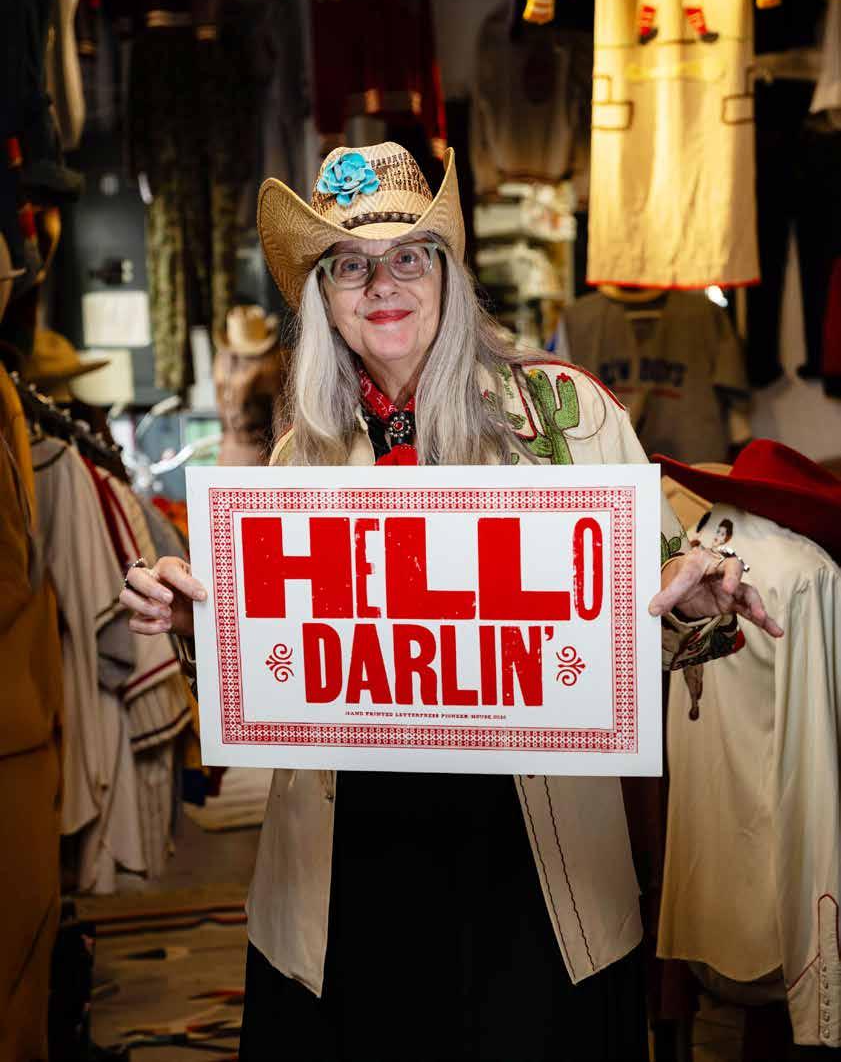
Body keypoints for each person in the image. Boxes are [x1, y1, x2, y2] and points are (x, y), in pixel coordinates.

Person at [121, 143, 782, 1062]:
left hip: (532, 874)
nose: (381, 284)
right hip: (347, 874)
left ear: (445, 272)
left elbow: (661, 619)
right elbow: (275, 671)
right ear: (323, 297)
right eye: (349, 265)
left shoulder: (569, 418)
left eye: (407, 256)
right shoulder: (297, 461)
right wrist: (201, 623)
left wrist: (687, 602)